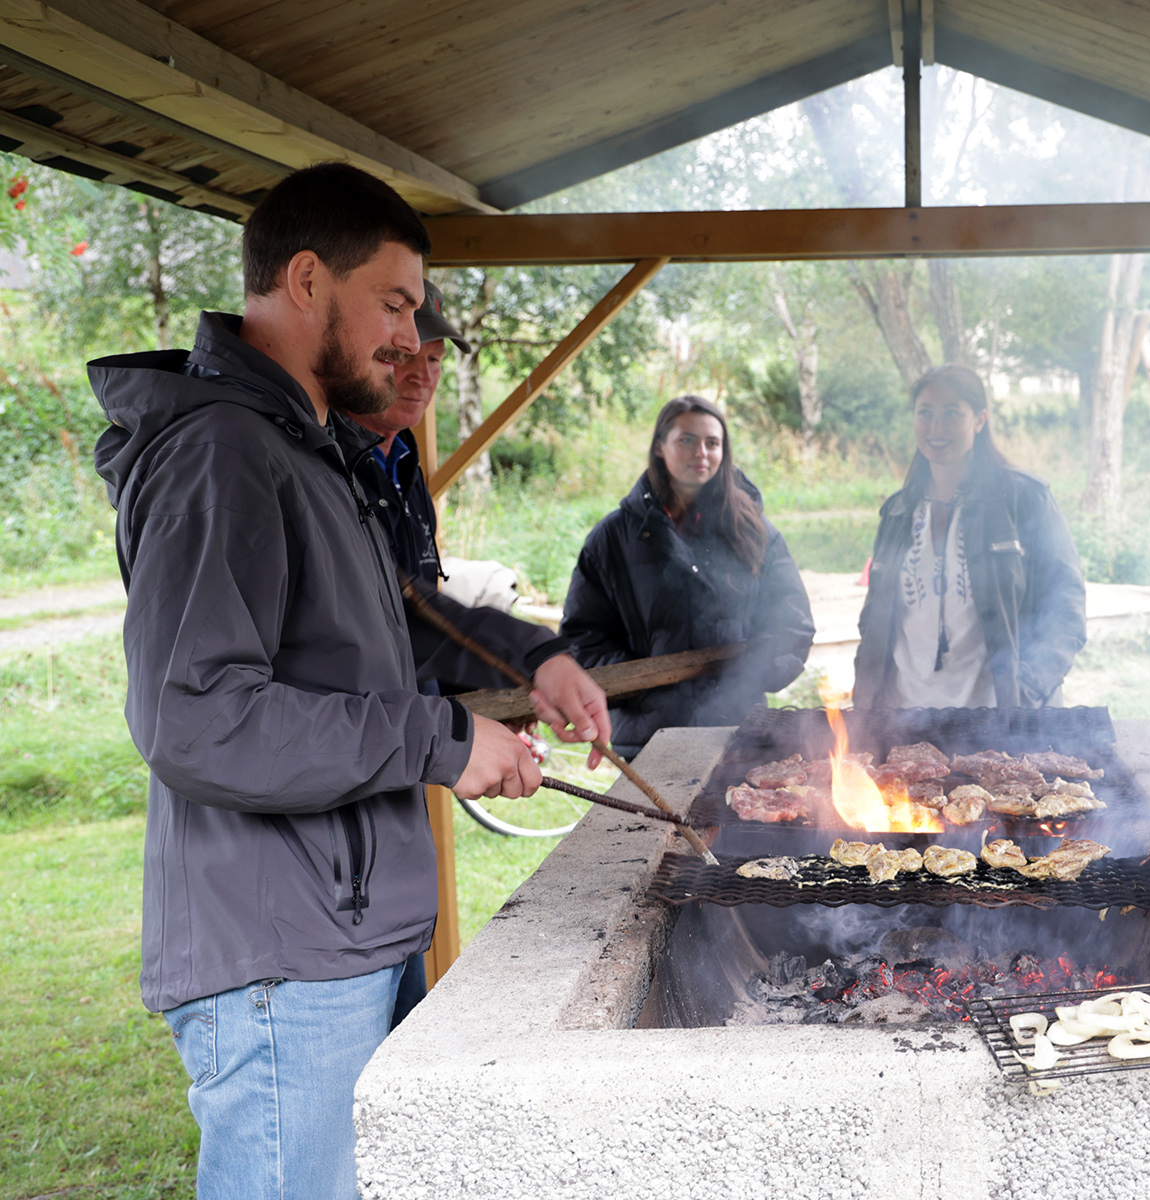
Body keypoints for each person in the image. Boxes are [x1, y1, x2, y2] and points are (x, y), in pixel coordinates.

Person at [90, 162, 607, 1200]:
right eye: (396, 303)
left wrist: (532, 657)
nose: (410, 338)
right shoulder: (222, 458)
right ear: (308, 280)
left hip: (342, 930)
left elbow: (393, 624)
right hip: (281, 959)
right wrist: (444, 745)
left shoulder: (306, 448)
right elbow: (199, 720)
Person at [345, 278, 604, 1027]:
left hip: (380, 849)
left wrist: (535, 663)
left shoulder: (396, 472)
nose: (421, 372)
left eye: (432, 356)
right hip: (312, 892)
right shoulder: (322, 467)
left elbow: (415, 622)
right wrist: (451, 733)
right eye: (403, 352)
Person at [561, 395, 815, 757]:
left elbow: (792, 624)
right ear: (659, 447)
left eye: (713, 443)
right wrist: (647, 686)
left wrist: (742, 680)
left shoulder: (754, 530)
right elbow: (583, 640)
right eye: (687, 440)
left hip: (741, 732)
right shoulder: (614, 538)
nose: (702, 453)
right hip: (650, 739)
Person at [853, 364, 1086, 709]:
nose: (936, 428)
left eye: (951, 413)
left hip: (996, 714)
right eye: (925, 413)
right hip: (904, 715)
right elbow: (874, 615)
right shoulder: (898, 512)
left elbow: (1065, 603)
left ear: (979, 420)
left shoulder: (1023, 499)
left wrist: (1030, 686)